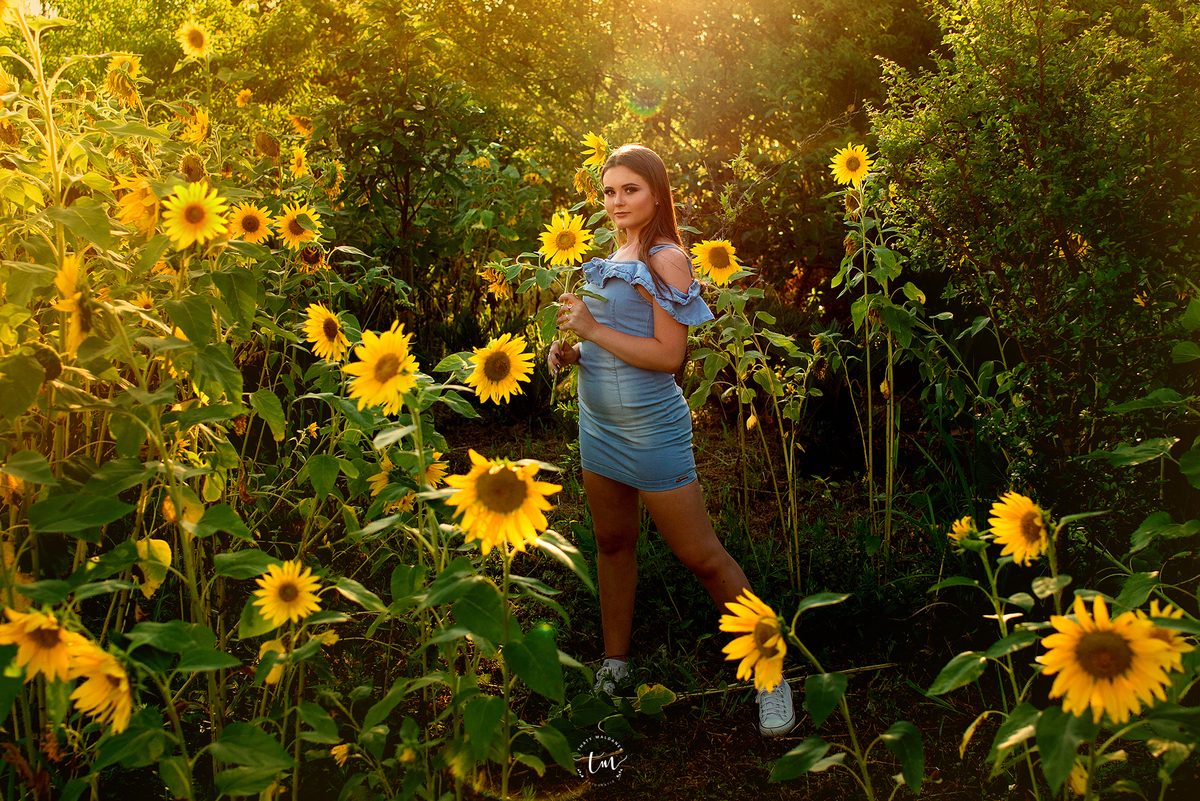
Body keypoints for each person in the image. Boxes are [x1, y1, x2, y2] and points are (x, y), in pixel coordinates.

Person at [547, 144, 795, 737]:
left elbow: (668, 357)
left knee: (700, 556)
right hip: (598, 424)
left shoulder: (666, 260)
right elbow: (615, 343)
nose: (615, 202)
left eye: (629, 189)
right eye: (608, 192)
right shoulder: (613, 255)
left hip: (651, 430)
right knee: (612, 542)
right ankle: (615, 665)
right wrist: (574, 351)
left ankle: (772, 675)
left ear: (656, 193)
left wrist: (590, 326)